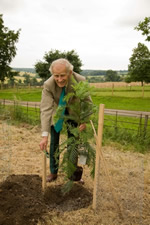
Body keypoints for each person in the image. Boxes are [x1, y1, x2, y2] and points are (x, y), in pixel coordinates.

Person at [39, 58, 92, 183]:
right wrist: (44, 135)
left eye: (62, 75)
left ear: (70, 72)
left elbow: (87, 103)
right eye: (56, 76)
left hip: (74, 113)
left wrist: (83, 120)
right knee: (53, 144)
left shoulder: (80, 81)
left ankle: (72, 173)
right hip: (57, 112)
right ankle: (53, 172)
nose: (59, 79)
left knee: (73, 143)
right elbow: (46, 109)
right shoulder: (48, 85)